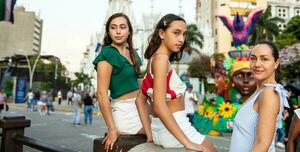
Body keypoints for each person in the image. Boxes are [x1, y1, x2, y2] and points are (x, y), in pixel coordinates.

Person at [136, 14, 216, 152]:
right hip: (176, 126)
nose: (181, 39)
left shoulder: (153, 60)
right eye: (176, 33)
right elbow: (159, 106)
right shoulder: (161, 60)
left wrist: (150, 134)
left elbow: (139, 100)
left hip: (160, 130)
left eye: (184, 34)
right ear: (162, 33)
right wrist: (187, 142)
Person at [92, 13, 144, 151]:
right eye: (113, 28)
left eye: (123, 27)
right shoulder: (107, 54)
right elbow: (102, 94)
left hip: (140, 107)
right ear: (108, 32)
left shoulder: (132, 52)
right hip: (123, 111)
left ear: (129, 31)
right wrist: (111, 128)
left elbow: (137, 82)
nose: (118, 31)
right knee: (160, 134)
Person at [229, 40, 290, 152]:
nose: (257, 64)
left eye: (264, 59)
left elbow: (262, 144)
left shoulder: (269, 93)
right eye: (253, 58)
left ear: (276, 63)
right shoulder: (261, 91)